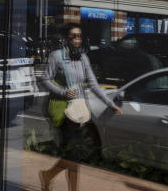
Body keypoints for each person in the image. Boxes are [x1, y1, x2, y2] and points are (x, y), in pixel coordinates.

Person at [38, 24, 121, 191]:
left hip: (79, 110)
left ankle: (49, 176)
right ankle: (53, 179)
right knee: (73, 154)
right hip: (63, 109)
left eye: (79, 36)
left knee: (74, 155)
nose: (77, 40)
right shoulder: (57, 56)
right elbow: (45, 79)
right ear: (66, 40)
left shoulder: (83, 58)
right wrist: (62, 91)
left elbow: (94, 85)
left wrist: (111, 104)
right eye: (73, 36)